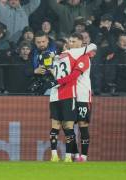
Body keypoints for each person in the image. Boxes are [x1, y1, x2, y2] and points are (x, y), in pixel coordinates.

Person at [48, 32, 96, 162]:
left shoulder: (84, 57)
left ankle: (83, 157)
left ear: (81, 43)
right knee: (66, 125)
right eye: (70, 41)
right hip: (70, 94)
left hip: (82, 96)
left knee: (82, 125)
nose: (71, 43)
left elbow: (74, 75)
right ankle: (74, 153)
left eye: (74, 41)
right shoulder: (68, 56)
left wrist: (57, 82)